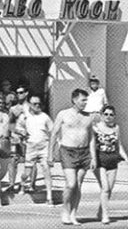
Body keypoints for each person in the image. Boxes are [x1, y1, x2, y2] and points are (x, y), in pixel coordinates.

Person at [50, 88, 96, 225]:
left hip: (84, 153)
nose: (85, 103)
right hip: (68, 152)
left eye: (86, 100)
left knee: (78, 185)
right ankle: (65, 210)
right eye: (83, 100)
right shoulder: (63, 114)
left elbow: (92, 138)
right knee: (71, 184)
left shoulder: (88, 117)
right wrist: (50, 154)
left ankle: (73, 214)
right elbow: (54, 134)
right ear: (75, 100)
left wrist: (93, 157)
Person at [91, 104, 128, 224]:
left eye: (111, 115)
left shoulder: (116, 128)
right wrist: (93, 159)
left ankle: (100, 211)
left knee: (108, 189)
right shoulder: (95, 127)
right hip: (100, 161)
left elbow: (119, 145)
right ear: (101, 115)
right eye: (106, 114)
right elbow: (91, 145)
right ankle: (105, 216)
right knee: (105, 188)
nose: (108, 116)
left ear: (114, 116)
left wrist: (126, 158)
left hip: (113, 161)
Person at [19, 94, 53, 205]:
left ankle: (49, 196)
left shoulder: (45, 117)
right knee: (27, 172)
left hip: (44, 146)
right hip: (31, 147)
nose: (37, 105)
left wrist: (53, 148)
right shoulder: (25, 117)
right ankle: (23, 184)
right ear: (29, 105)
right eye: (34, 104)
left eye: (39, 103)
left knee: (46, 170)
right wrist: (22, 135)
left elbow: (52, 131)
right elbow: (17, 129)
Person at [8, 85, 30, 192]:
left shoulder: (32, 107)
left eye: (21, 92)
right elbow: (10, 124)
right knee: (12, 160)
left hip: (28, 138)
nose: (19, 95)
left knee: (30, 161)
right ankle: (11, 184)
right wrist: (16, 132)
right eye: (17, 93)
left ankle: (30, 184)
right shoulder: (13, 108)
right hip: (16, 137)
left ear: (26, 93)